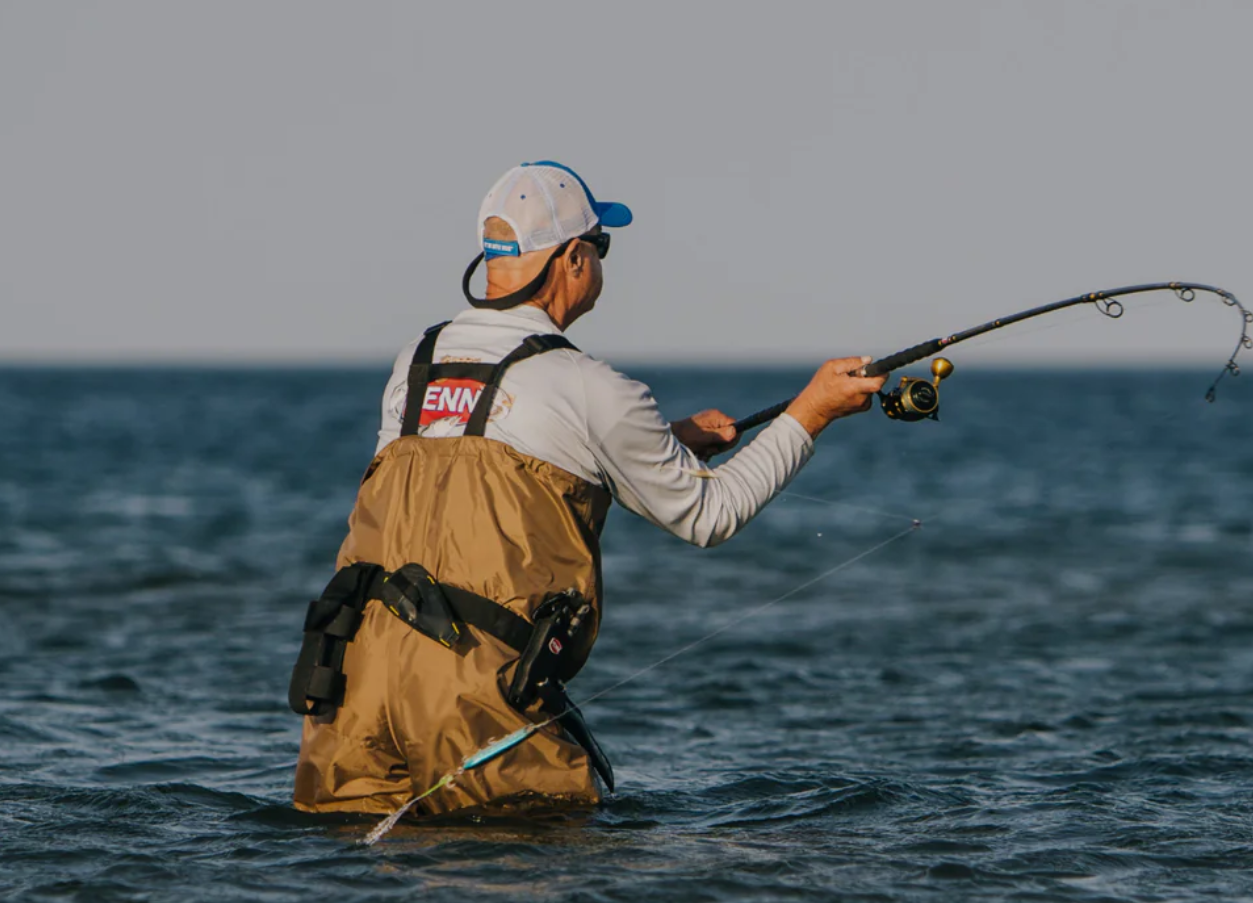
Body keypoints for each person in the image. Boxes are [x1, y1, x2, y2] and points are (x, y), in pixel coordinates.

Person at [290, 160, 885, 817]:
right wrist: (813, 412)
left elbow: (477, 456)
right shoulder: (590, 385)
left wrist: (664, 442)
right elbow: (708, 515)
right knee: (532, 848)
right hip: (471, 689)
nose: (601, 262)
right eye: (600, 246)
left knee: (352, 858)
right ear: (573, 258)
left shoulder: (417, 359)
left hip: (351, 679)